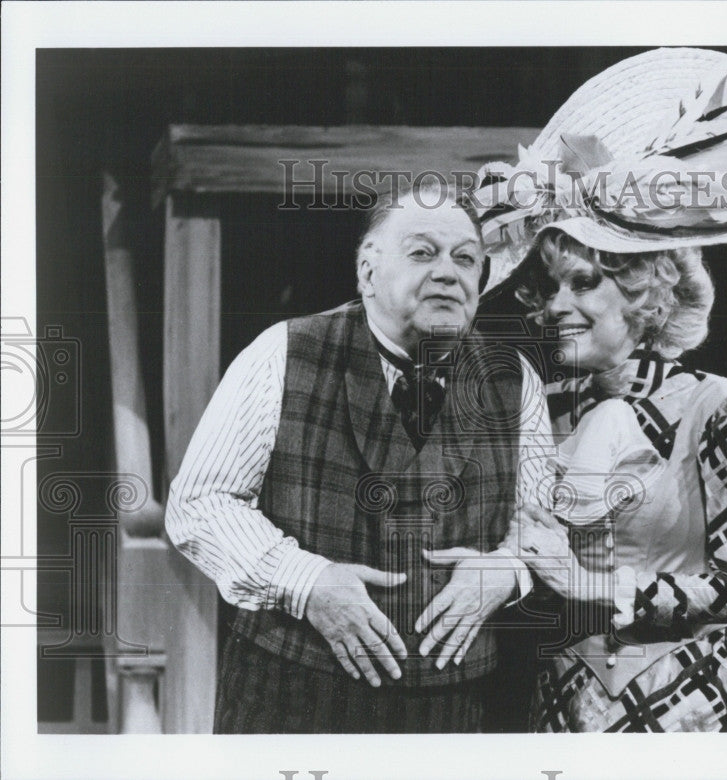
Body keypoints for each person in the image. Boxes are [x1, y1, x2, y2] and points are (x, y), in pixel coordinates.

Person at [473, 47, 727, 731]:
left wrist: (591, 587)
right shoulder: (539, 408)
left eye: (581, 283)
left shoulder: (725, 407)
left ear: (644, 295)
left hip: (688, 699)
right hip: (568, 699)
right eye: (545, 288)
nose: (553, 307)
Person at [164, 180, 552, 733]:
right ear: (368, 271)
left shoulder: (514, 381)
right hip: (293, 704)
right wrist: (307, 582)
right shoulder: (285, 351)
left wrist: (508, 569)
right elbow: (199, 504)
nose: (448, 272)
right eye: (423, 252)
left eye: (466, 259)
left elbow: (541, 523)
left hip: (460, 716)